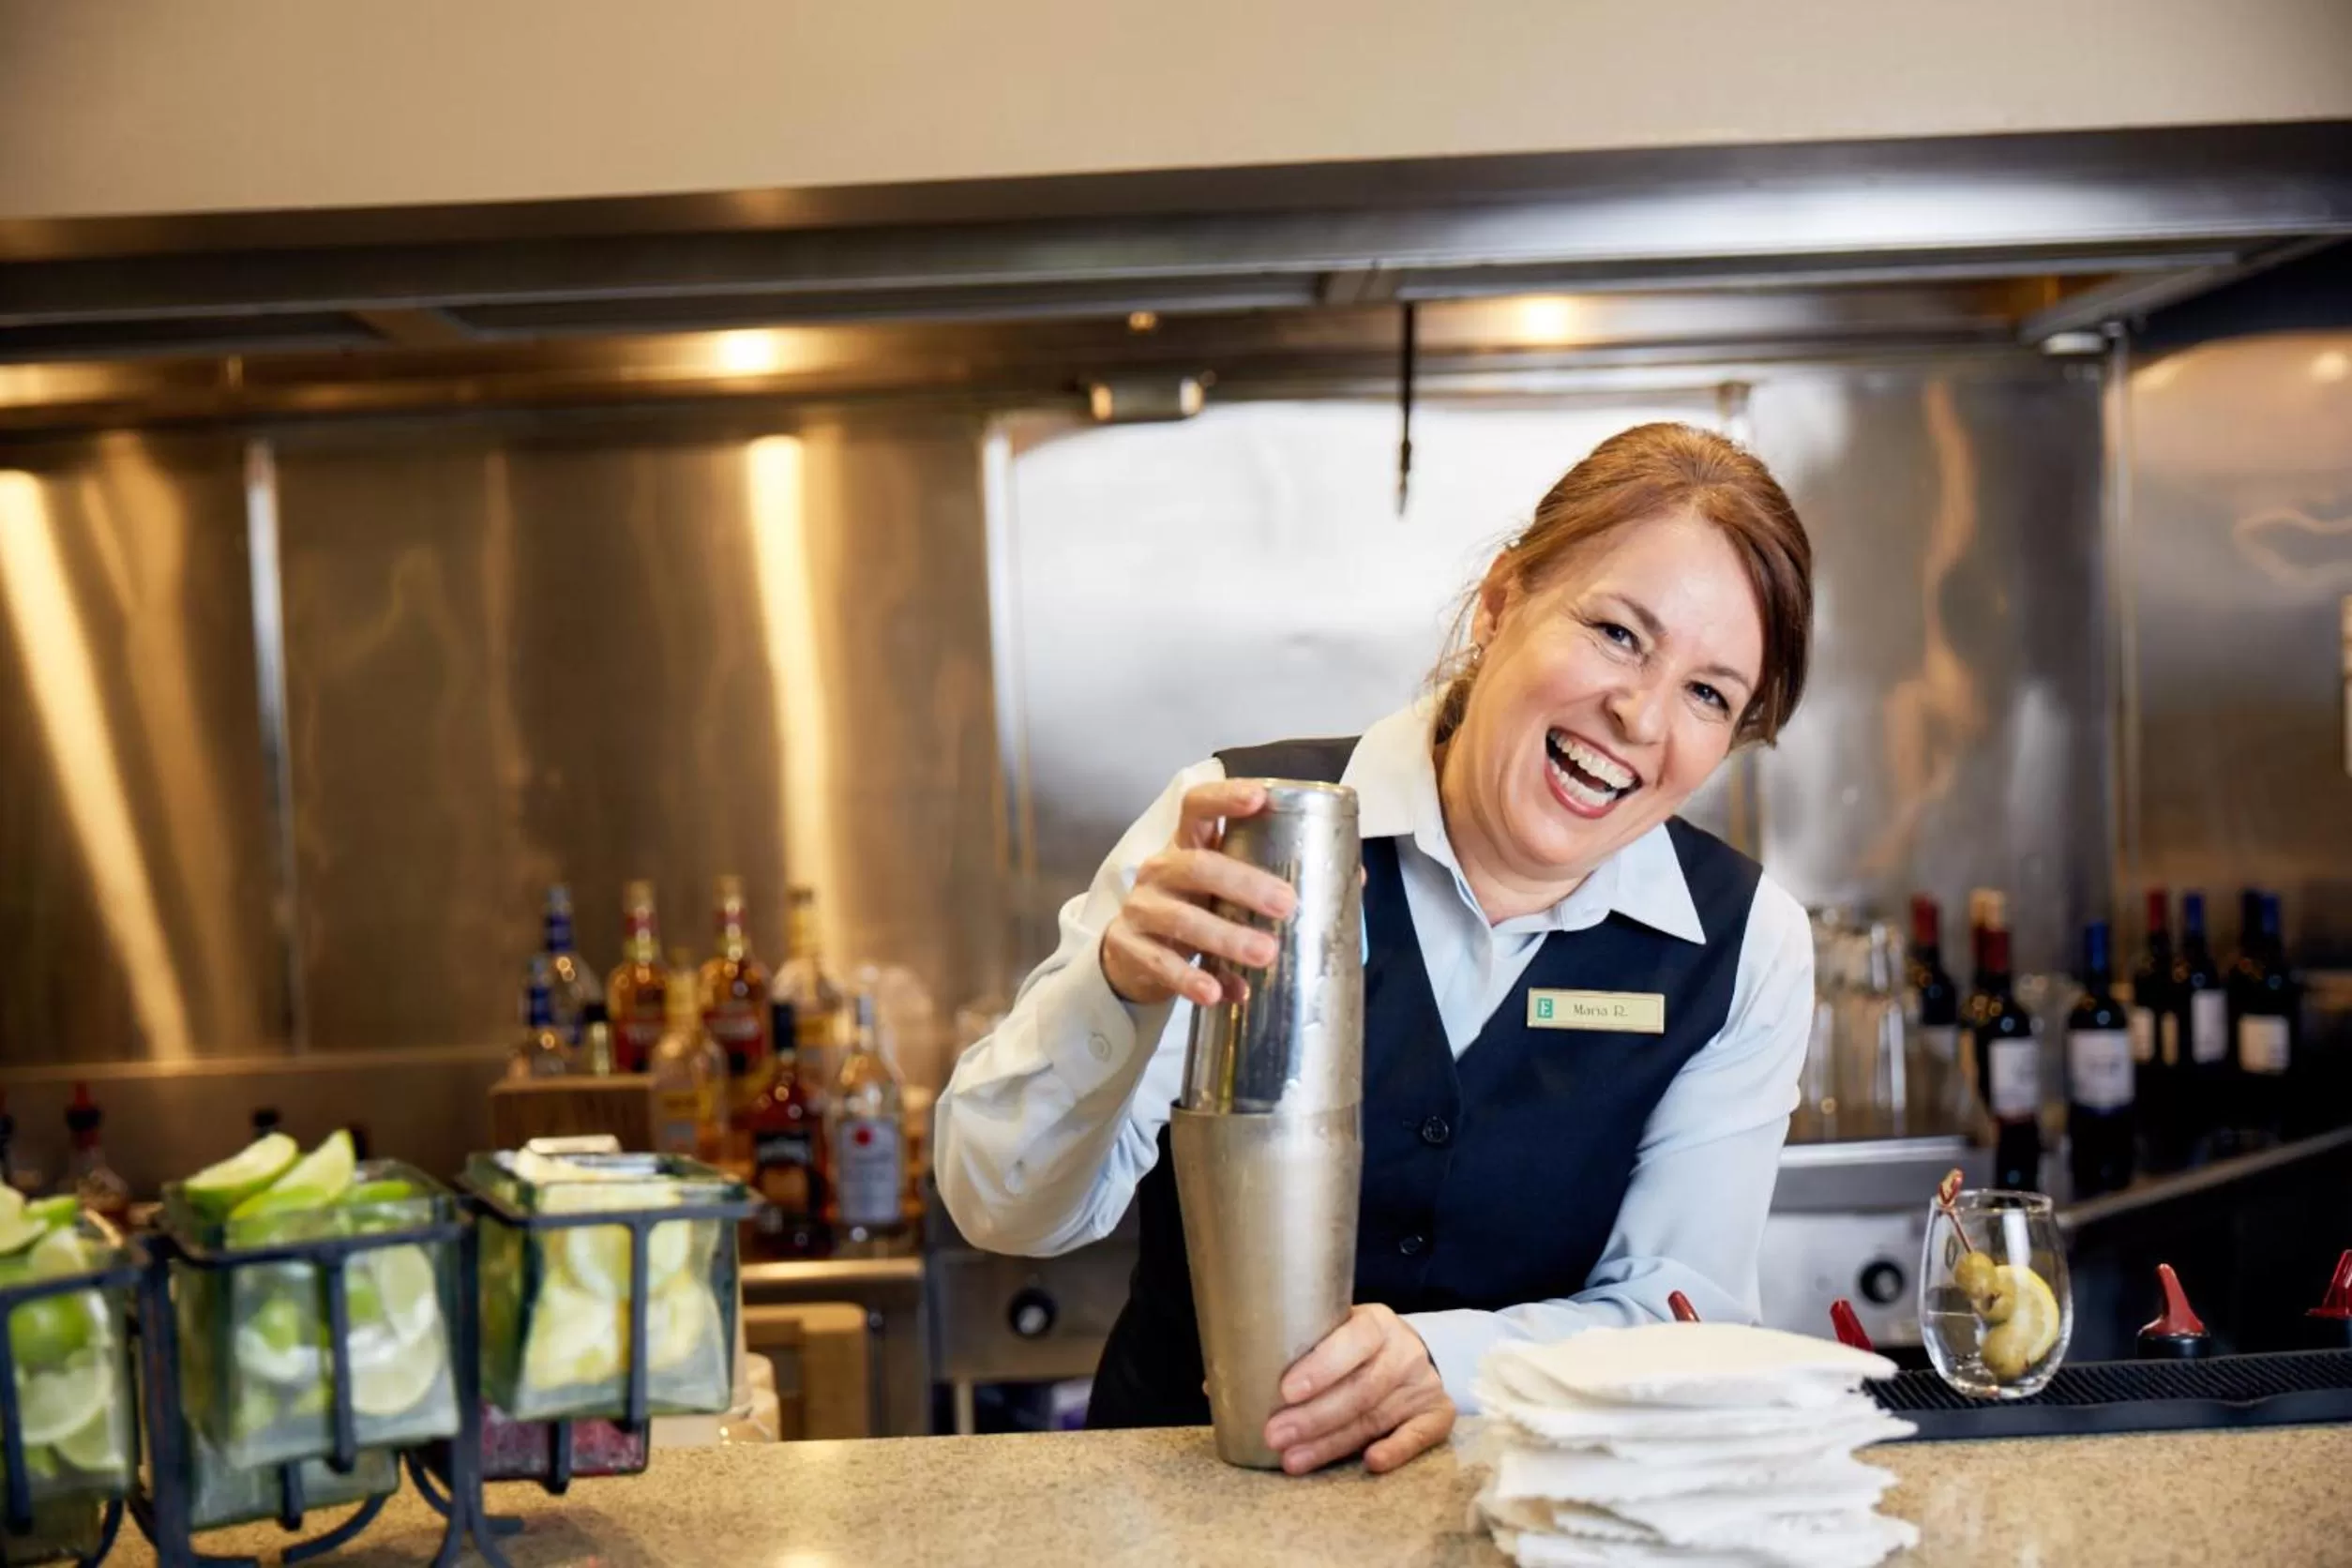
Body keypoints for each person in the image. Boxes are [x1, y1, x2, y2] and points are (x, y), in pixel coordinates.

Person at [935, 422, 1816, 1475]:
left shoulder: (1745, 944)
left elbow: (1685, 1319)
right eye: (1619, 633)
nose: (1638, 713)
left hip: (1526, 1529)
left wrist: (1449, 1362)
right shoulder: (1242, 824)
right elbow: (1002, 1209)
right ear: (1500, 604)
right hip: (1191, 1516)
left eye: (1709, 693)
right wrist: (1120, 991)